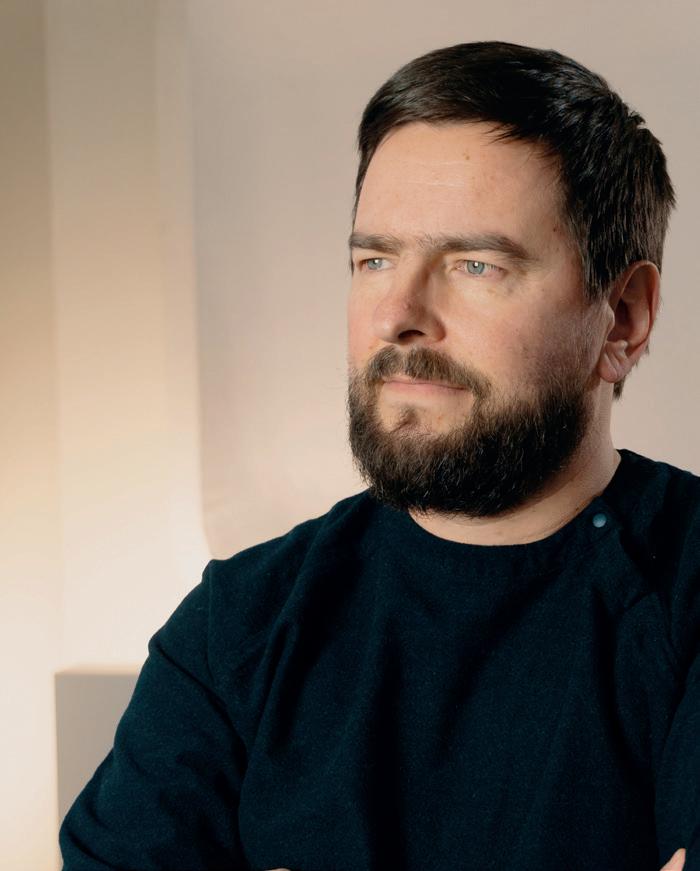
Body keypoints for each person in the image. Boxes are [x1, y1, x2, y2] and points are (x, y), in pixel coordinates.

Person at [59, 41, 698, 871]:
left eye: (476, 264)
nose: (397, 313)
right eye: (375, 259)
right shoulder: (237, 629)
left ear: (624, 317)